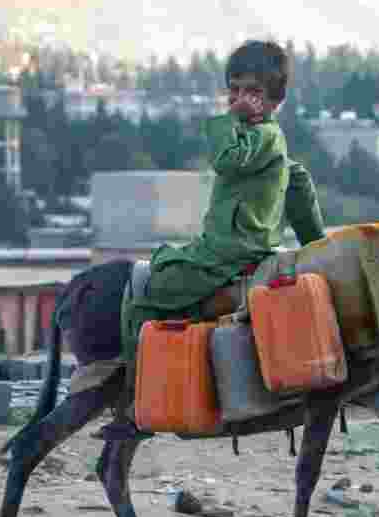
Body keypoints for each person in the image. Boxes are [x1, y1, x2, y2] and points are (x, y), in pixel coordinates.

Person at [120, 40, 327, 363]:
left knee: (151, 289)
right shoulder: (269, 151)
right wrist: (319, 249)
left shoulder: (265, 137)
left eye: (252, 91)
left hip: (227, 256)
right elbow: (300, 194)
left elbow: (225, 160)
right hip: (223, 251)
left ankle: (136, 382)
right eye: (234, 90)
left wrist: (229, 118)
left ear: (275, 99)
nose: (240, 99)